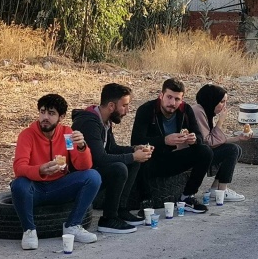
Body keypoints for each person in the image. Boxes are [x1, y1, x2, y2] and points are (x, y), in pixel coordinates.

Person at [11, 94, 101, 250]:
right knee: (18, 184)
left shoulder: (67, 134)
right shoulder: (27, 135)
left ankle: (73, 225)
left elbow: (83, 166)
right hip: (35, 188)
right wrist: (39, 170)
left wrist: (81, 147)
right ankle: (29, 230)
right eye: (42, 112)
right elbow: (19, 167)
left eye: (51, 113)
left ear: (62, 116)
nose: (45, 117)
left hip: (59, 186)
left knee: (93, 176)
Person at [72, 83, 152, 234]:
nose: (127, 111)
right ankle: (109, 218)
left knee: (133, 161)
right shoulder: (89, 123)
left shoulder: (105, 120)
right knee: (119, 167)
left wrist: (135, 149)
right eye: (124, 106)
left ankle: (121, 209)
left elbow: (112, 148)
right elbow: (100, 158)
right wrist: (132, 156)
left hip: (94, 169)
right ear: (111, 106)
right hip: (82, 176)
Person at [131, 78, 211, 214]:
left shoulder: (186, 110)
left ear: (182, 100)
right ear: (161, 96)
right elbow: (136, 141)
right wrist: (164, 140)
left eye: (177, 99)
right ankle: (146, 201)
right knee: (141, 156)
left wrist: (193, 140)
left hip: (174, 157)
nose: (172, 103)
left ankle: (187, 196)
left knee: (205, 152)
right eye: (169, 97)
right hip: (153, 160)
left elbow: (199, 137)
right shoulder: (146, 110)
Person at [193, 84, 249, 202]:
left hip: (203, 151)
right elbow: (208, 141)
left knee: (236, 148)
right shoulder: (198, 111)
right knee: (232, 150)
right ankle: (222, 191)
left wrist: (238, 138)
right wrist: (220, 121)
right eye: (222, 102)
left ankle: (215, 188)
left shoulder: (207, 111)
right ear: (211, 100)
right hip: (195, 154)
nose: (224, 106)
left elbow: (215, 140)